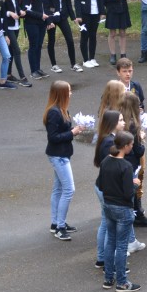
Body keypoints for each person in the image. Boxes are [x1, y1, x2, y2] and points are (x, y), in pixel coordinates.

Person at [93, 110, 145, 270]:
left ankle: (102, 259)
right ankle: (109, 262)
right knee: (110, 229)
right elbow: (114, 168)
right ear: (112, 123)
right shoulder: (109, 142)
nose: (124, 122)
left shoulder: (107, 139)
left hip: (104, 186)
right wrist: (131, 182)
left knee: (105, 224)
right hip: (109, 189)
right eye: (121, 120)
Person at [96, 130, 142, 292]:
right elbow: (128, 193)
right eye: (131, 145)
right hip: (123, 209)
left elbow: (101, 185)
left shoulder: (106, 162)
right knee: (121, 246)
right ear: (126, 146)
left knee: (110, 242)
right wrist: (135, 184)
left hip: (108, 206)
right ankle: (122, 282)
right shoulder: (126, 166)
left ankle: (109, 278)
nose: (132, 147)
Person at [43, 80, 85, 241]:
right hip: (58, 156)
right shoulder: (54, 112)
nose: (71, 93)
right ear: (61, 94)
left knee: (59, 188)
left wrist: (75, 130)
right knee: (68, 189)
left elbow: (62, 132)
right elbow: (53, 137)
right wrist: (72, 132)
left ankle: (56, 223)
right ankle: (60, 227)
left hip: (62, 154)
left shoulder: (62, 110)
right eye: (68, 91)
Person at [118, 91, 147, 228]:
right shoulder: (133, 125)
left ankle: (134, 214)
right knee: (133, 190)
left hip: (121, 161)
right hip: (131, 163)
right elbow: (139, 151)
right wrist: (141, 137)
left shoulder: (119, 121)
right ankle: (137, 215)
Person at [43, 0, 79, 74]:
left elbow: (68, 2)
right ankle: (54, 65)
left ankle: (73, 64)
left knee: (70, 40)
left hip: (63, 17)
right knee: (51, 40)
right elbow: (45, 6)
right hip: (52, 17)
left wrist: (73, 17)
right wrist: (49, 20)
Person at [2, 0, 35, 85]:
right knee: (16, 50)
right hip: (8, 26)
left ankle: (8, 74)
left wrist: (20, 11)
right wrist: (9, 13)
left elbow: (17, 6)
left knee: (11, 50)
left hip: (16, 25)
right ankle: (22, 77)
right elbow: (0, 12)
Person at [73, 0, 105, 69]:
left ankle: (92, 58)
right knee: (85, 35)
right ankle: (85, 59)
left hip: (95, 11)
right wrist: (78, 15)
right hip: (85, 12)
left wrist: (102, 11)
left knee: (93, 35)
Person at [22, 0, 51, 80]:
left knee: (39, 45)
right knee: (33, 46)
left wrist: (47, 19)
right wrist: (40, 15)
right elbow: (25, 10)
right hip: (32, 23)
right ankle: (33, 70)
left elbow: (43, 7)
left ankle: (38, 68)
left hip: (41, 23)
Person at [102, 0, 132, 66]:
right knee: (112, 33)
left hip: (123, 10)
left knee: (123, 33)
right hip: (112, 11)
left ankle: (123, 54)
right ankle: (113, 54)